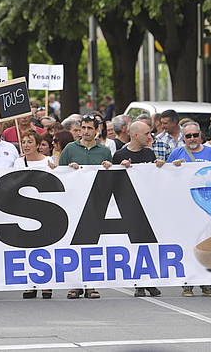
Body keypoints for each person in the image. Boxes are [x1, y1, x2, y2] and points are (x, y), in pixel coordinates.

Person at [166, 122, 211, 298]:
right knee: (189, 244)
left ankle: (206, 283)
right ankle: (188, 284)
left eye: (195, 135)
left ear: (201, 136)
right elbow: (165, 176)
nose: (192, 139)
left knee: (208, 245)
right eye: (188, 136)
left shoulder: (210, 152)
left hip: (207, 207)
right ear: (183, 138)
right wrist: (173, 168)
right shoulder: (177, 153)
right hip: (187, 208)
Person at [58, 115, 112, 299]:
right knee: (74, 246)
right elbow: (59, 175)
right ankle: (74, 285)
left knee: (93, 246)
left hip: (96, 204)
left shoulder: (104, 151)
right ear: (79, 130)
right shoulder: (70, 149)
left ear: (96, 130)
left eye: (90, 128)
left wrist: (108, 167)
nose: (86, 131)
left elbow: (109, 178)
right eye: (83, 128)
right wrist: (69, 169)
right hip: (74, 204)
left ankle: (91, 285)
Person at [112, 121, 164, 297]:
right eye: (147, 134)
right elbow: (112, 180)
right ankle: (139, 283)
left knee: (149, 245)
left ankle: (149, 281)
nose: (150, 137)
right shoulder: (119, 155)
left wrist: (160, 167)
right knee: (135, 245)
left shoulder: (149, 153)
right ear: (135, 135)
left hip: (148, 205)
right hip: (129, 206)